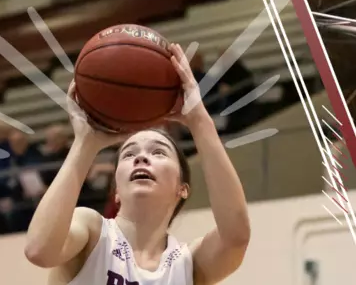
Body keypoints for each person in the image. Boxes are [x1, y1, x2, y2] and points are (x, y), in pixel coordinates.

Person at [24, 44, 250, 284]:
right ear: (116, 190)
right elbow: (39, 250)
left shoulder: (187, 265)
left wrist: (199, 121)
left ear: (182, 188)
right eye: (129, 154)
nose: (141, 157)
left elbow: (236, 237)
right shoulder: (92, 233)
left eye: (158, 152)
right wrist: (85, 144)